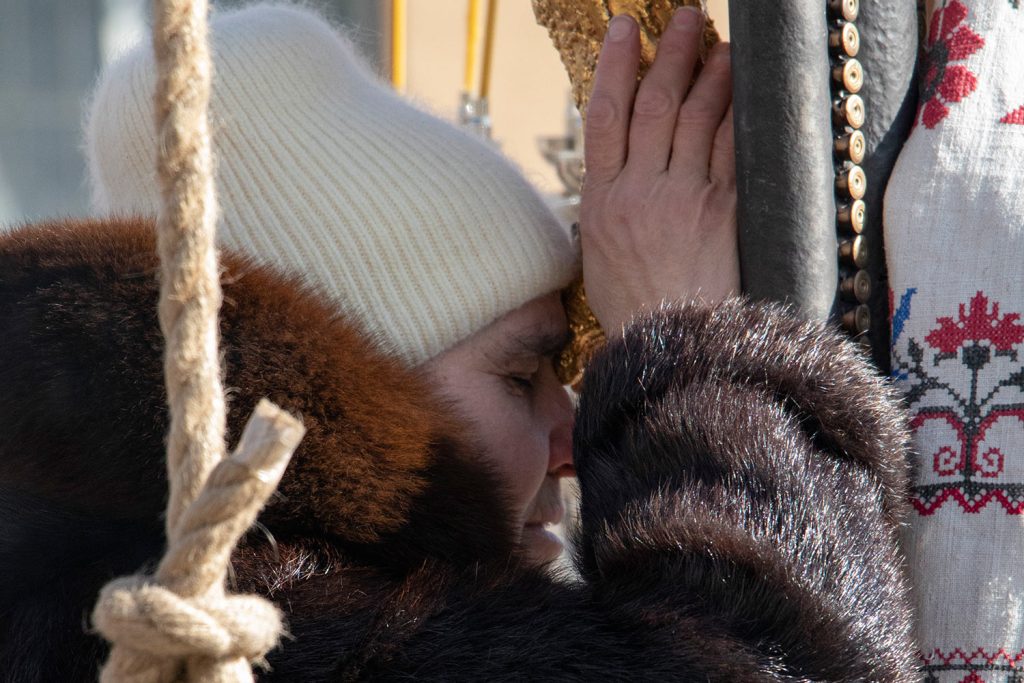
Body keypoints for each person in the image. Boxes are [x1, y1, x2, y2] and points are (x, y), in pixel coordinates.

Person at [0, 4, 915, 679]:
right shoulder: (267, 638)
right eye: (521, 374)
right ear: (338, 395)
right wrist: (691, 354)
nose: (570, 440)